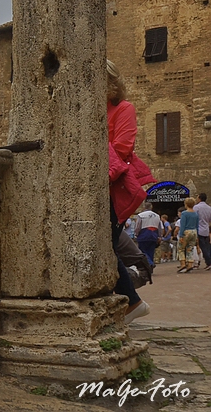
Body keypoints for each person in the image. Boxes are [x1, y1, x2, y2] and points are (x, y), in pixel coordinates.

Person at [106, 60, 152, 324]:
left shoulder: (124, 108)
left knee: (105, 246)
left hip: (114, 188)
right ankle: (131, 302)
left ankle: (132, 302)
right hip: (93, 190)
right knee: (107, 246)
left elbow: (123, 148)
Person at [134, 203, 162, 269]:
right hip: (154, 234)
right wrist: (159, 236)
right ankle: (150, 266)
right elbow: (159, 227)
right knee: (151, 252)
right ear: (151, 207)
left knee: (143, 251)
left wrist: (136, 234)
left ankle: (150, 263)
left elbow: (138, 226)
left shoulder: (140, 215)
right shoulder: (157, 216)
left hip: (144, 234)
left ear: (144, 207)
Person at [177, 197, 200, 272]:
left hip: (186, 232)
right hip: (194, 231)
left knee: (181, 248)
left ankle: (183, 264)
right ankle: (190, 264)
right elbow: (197, 225)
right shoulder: (196, 214)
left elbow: (182, 225)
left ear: (186, 204)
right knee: (190, 248)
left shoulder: (184, 213)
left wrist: (180, 235)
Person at [193, 192, 211, 269]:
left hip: (199, 229)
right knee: (207, 247)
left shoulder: (196, 207)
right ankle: (208, 262)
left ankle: (209, 262)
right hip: (206, 229)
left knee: (202, 247)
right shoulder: (209, 208)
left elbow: (194, 218)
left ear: (199, 198)